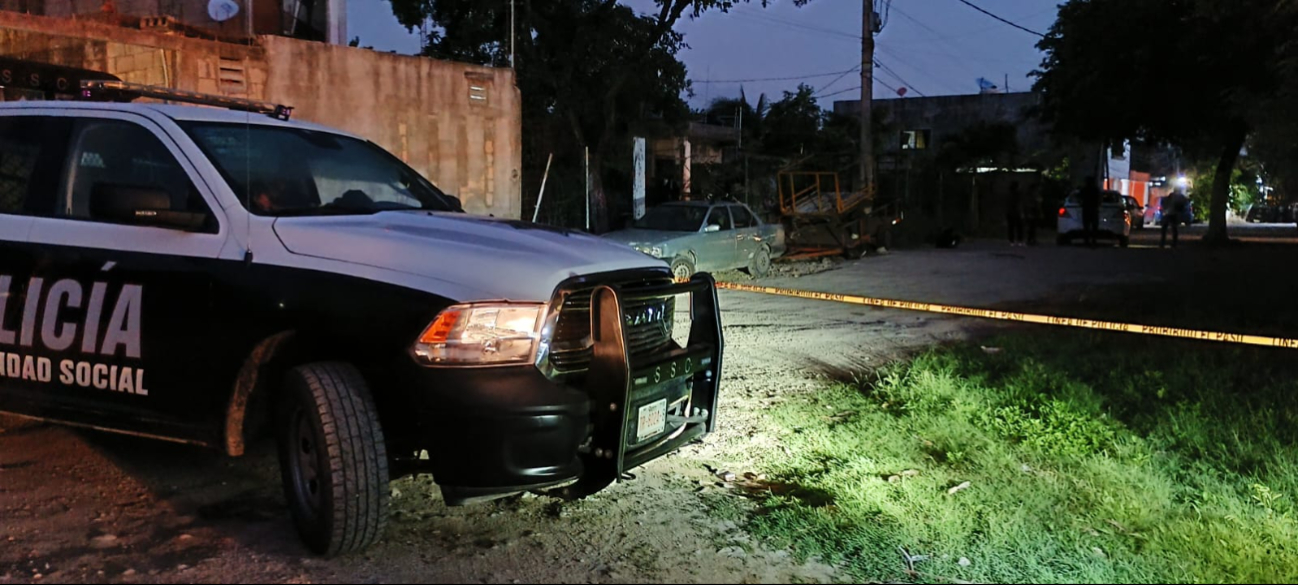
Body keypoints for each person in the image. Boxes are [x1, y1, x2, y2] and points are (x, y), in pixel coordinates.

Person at [1080, 177, 1101, 247]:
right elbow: (1099, 200)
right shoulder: (1095, 190)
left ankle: (1087, 240)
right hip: (1093, 209)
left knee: (1086, 226)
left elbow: (1080, 198)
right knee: (1094, 226)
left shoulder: (1084, 190)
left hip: (1086, 209)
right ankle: (1093, 240)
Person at [1005, 182, 1025, 247]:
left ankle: (1012, 241)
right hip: (1016, 213)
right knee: (1019, 227)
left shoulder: (1009, 195)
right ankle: (1019, 241)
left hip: (1010, 213)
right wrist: (1021, 213)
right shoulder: (1018, 195)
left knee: (1011, 227)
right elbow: (1019, 205)